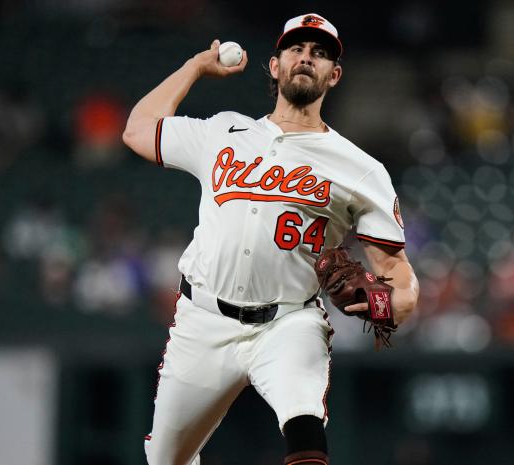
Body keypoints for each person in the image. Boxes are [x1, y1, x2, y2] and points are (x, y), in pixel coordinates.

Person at [122, 13, 419, 465]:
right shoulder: (224, 130)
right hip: (203, 320)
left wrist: (385, 304)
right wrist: (194, 67)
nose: (307, 57)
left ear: (334, 75)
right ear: (275, 66)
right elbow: (137, 129)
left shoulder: (360, 169)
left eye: (320, 53)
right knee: (166, 459)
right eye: (296, 49)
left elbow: (400, 277)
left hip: (289, 321)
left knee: (303, 420)